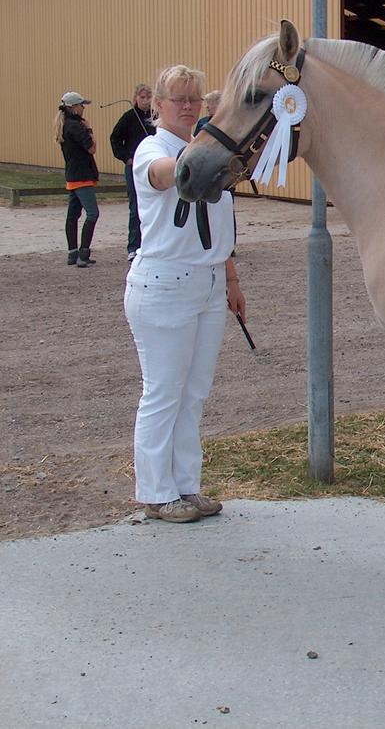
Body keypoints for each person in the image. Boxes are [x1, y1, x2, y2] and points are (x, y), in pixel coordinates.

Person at [123, 65, 245, 523]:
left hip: (208, 280)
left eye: (194, 98)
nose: (188, 106)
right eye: (178, 99)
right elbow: (161, 175)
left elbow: (215, 226)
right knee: (162, 391)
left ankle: (186, 485)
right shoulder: (151, 150)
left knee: (193, 392)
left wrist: (231, 279)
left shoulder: (201, 147)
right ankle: (155, 492)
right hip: (164, 283)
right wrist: (201, 157)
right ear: (158, 104)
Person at [109, 83, 156, 261]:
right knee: (136, 206)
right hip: (135, 167)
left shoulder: (156, 117)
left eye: (148, 97)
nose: (145, 101)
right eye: (142, 97)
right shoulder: (129, 117)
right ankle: (134, 246)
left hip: (154, 166)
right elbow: (114, 139)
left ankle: (151, 243)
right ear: (136, 98)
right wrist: (126, 158)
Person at [55, 91, 100, 267]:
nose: (83, 108)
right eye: (82, 105)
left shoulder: (64, 125)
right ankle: (83, 253)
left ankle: (72, 253)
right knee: (93, 213)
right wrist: (89, 129)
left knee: (72, 215)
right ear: (74, 107)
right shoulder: (77, 126)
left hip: (72, 176)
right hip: (83, 177)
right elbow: (92, 148)